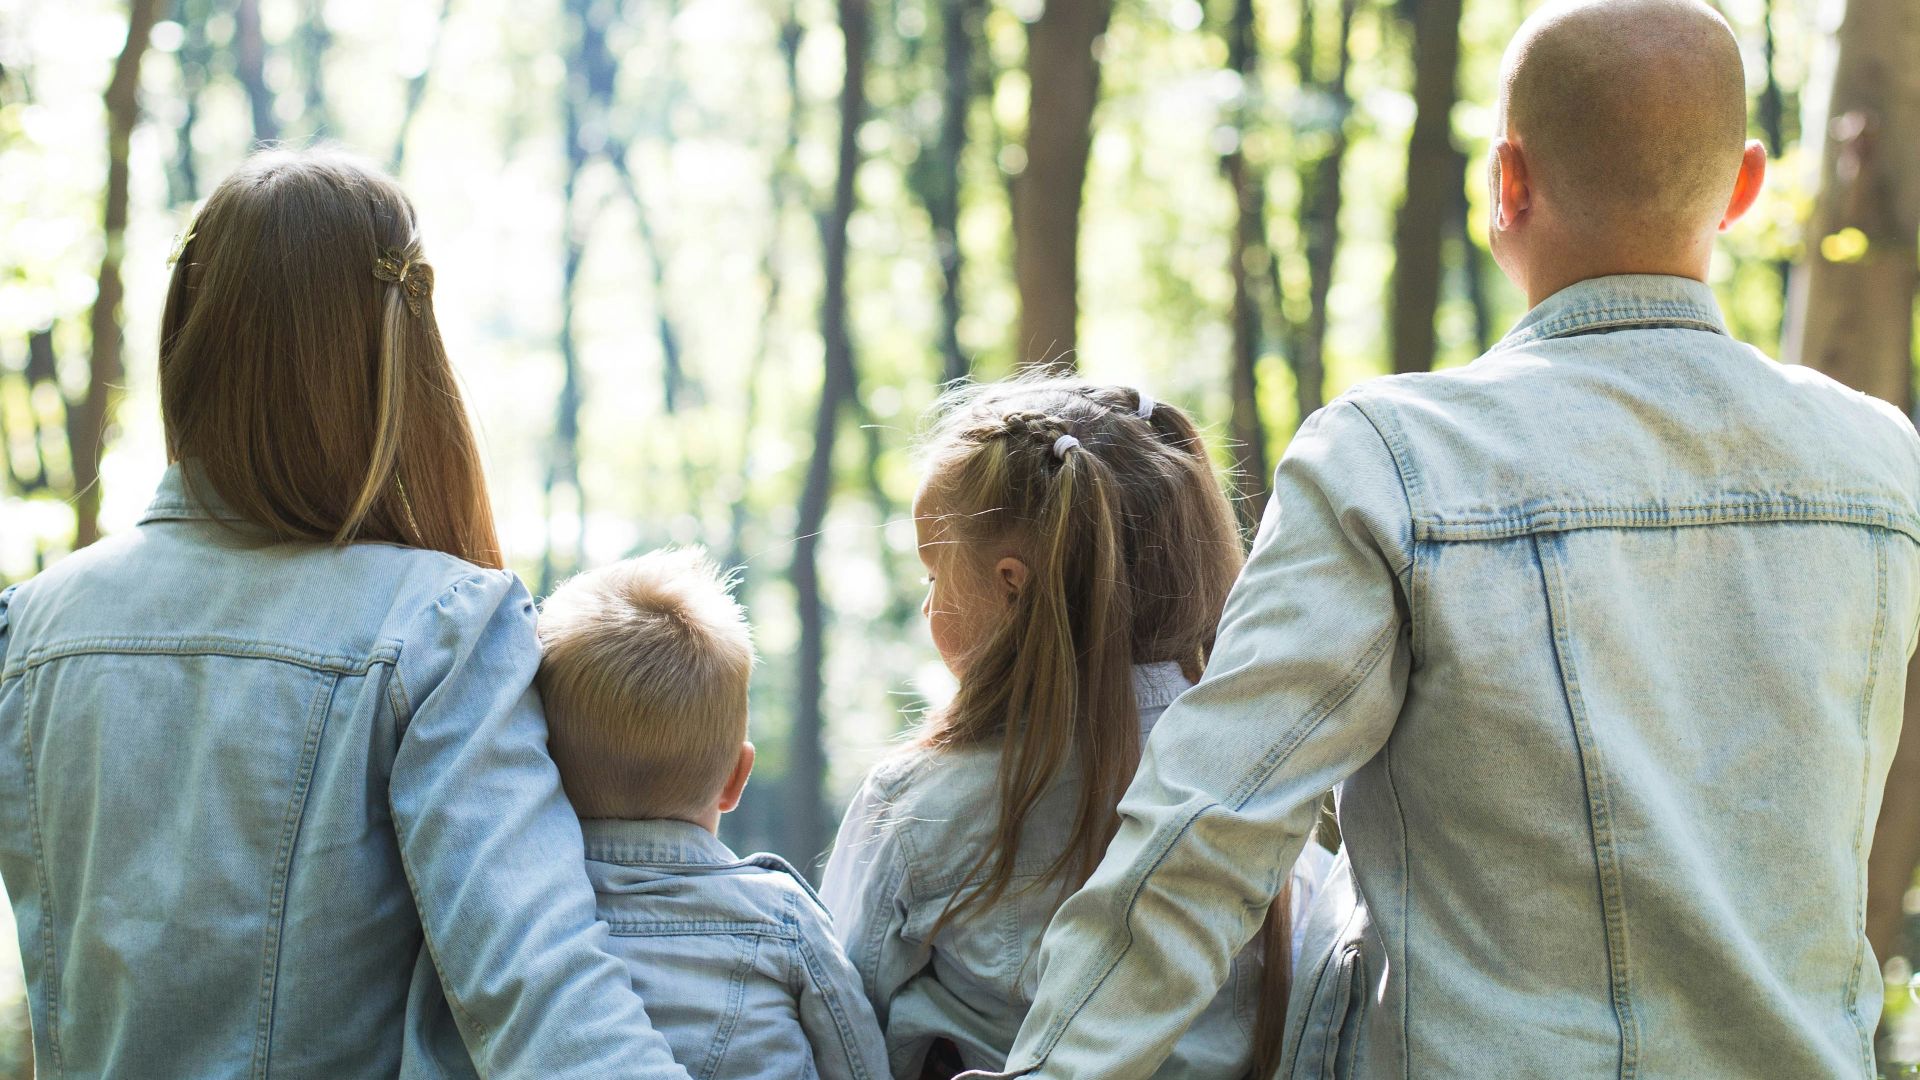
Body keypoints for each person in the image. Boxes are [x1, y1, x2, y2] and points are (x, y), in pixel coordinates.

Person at [964, 2, 1920, 1078]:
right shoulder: (1881, 470)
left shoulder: (1393, 462)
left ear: (1507, 179)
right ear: (1745, 188)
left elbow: (1211, 828)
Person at [0, 150, 689, 1078]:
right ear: (399, 354)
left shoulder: (29, 633)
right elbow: (546, 1005)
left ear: (187, 340)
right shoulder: (441, 627)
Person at [821, 380, 1335, 1079]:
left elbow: (838, 1023)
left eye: (934, 576)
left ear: (1012, 585)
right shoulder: (1266, 789)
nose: (927, 607)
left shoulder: (916, 809)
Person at [534, 548, 890, 1080]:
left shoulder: (523, 914)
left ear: (542, 765)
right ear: (736, 777)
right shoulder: (783, 920)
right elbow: (860, 1067)